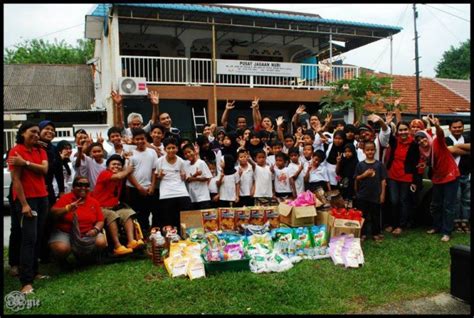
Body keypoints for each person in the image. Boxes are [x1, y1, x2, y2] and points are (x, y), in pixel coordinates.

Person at [7, 121, 49, 294]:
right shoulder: (16, 151)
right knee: (28, 239)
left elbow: (44, 170)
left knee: (38, 236)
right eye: (32, 132)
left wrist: (25, 163)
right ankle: (26, 282)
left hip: (42, 198)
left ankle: (35, 271)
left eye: (38, 133)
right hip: (27, 200)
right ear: (23, 133)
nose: (36, 135)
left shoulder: (41, 150)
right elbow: (16, 180)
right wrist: (24, 204)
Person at [418, 115, 460, 242]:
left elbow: (440, 134)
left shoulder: (437, 141)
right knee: (436, 204)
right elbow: (430, 161)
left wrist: (436, 125)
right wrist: (424, 164)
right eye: (418, 139)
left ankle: (447, 232)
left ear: (428, 137)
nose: (421, 141)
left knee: (448, 205)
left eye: (423, 138)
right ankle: (436, 226)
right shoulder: (422, 149)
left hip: (450, 175)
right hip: (437, 178)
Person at [92, 154, 143, 255]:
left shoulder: (121, 176)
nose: (116, 166)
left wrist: (126, 163)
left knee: (128, 212)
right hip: (99, 207)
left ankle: (131, 241)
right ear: (108, 166)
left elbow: (124, 173)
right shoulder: (105, 173)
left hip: (114, 207)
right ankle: (117, 246)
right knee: (112, 215)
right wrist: (127, 170)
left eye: (119, 165)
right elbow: (120, 175)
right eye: (113, 164)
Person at [49, 176, 107, 263]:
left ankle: (88, 258)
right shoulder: (66, 198)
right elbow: (52, 213)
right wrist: (67, 208)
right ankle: (61, 261)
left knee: (101, 241)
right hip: (66, 232)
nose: (83, 188)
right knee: (61, 248)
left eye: (86, 185)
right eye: (79, 185)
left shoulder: (93, 201)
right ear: (73, 187)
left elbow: (100, 220)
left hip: (87, 232)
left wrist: (95, 230)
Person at [384, 121, 421, 236]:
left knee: (403, 201)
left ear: (409, 130)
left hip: (406, 177)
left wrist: (414, 181)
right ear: (398, 132)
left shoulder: (414, 145)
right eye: (401, 130)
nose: (403, 132)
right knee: (393, 201)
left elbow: (416, 164)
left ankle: (401, 225)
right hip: (392, 175)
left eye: (405, 129)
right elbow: (386, 133)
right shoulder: (394, 141)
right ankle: (393, 223)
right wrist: (387, 123)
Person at [126, 128, 158, 234]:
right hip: (133, 188)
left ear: (146, 139)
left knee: (147, 213)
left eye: (142, 139)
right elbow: (128, 173)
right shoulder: (130, 153)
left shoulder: (152, 152)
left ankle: (148, 234)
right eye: (137, 139)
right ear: (133, 140)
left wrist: (152, 186)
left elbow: (154, 170)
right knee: (135, 213)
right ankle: (137, 237)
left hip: (148, 188)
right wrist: (139, 187)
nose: (140, 141)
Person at [354, 141, 387, 242]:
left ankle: (376, 233)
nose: (370, 152)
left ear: (375, 150)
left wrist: (382, 194)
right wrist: (365, 175)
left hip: (375, 195)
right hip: (363, 195)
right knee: (362, 215)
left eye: (372, 150)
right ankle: (362, 233)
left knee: (375, 215)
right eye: (367, 150)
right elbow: (357, 178)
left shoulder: (379, 165)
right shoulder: (360, 165)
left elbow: (383, 180)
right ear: (364, 151)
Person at [155, 137, 191, 229]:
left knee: (184, 218)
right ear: (165, 149)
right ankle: (170, 237)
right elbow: (157, 177)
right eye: (169, 148)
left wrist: (184, 176)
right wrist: (160, 176)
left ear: (177, 148)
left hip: (181, 192)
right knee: (168, 220)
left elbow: (185, 177)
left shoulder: (181, 162)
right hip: (166, 193)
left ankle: (183, 236)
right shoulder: (159, 161)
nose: (171, 150)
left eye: (173, 148)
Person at [445, 119, 470, 233]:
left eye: (459, 127)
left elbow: (455, 149)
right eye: (454, 127)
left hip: (466, 174)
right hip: (454, 175)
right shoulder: (446, 139)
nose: (457, 129)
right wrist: (465, 149)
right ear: (450, 128)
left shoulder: (467, 138)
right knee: (456, 199)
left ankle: (464, 221)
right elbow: (450, 150)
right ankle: (455, 222)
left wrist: (457, 146)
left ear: (463, 127)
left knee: (467, 200)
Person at [182, 144, 213, 209]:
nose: (188, 154)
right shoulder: (186, 165)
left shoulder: (201, 163)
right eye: (185, 153)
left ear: (194, 151)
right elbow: (188, 179)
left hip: (203, 197)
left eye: (189, 152)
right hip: (192, 197)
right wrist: (195, 175)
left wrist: (194, 178)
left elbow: (207, 177)